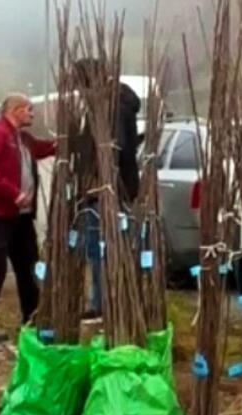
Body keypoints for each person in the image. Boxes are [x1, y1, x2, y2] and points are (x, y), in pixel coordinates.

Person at [0, 94, 56, 343]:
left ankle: (32, 319)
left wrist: (69, 141)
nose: (32, 113)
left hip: (21, 218)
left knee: (29, 269)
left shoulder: (23, 139)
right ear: (15, 110)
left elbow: (45, 148)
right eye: (29, 109)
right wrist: (13, 193)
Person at [72, 59, 142, 319]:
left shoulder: (111, 106)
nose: (79, 92)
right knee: (101, 249)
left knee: (103, 249)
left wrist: (99, 180)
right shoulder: (112, 102)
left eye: (80, 85)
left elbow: (116, 147)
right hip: (107, 188)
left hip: (108, 189)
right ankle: (105, 302)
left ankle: (105, 305)